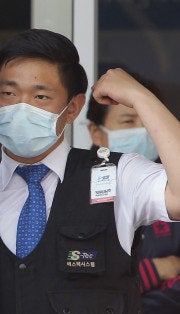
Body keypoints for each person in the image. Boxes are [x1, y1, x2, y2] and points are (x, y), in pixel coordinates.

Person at [0, 29, 180, 313]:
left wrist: (141, 97)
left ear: (73, 108)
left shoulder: (118, 174)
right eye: (9, 93)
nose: (21, 107)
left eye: (40, 97)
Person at [86, 75, 180, 314]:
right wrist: (154, 271)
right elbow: (78, 282)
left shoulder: (173, 190)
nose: (142, 131)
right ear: (96, 133)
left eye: (147, 122)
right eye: (128, 121)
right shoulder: (74, 188)